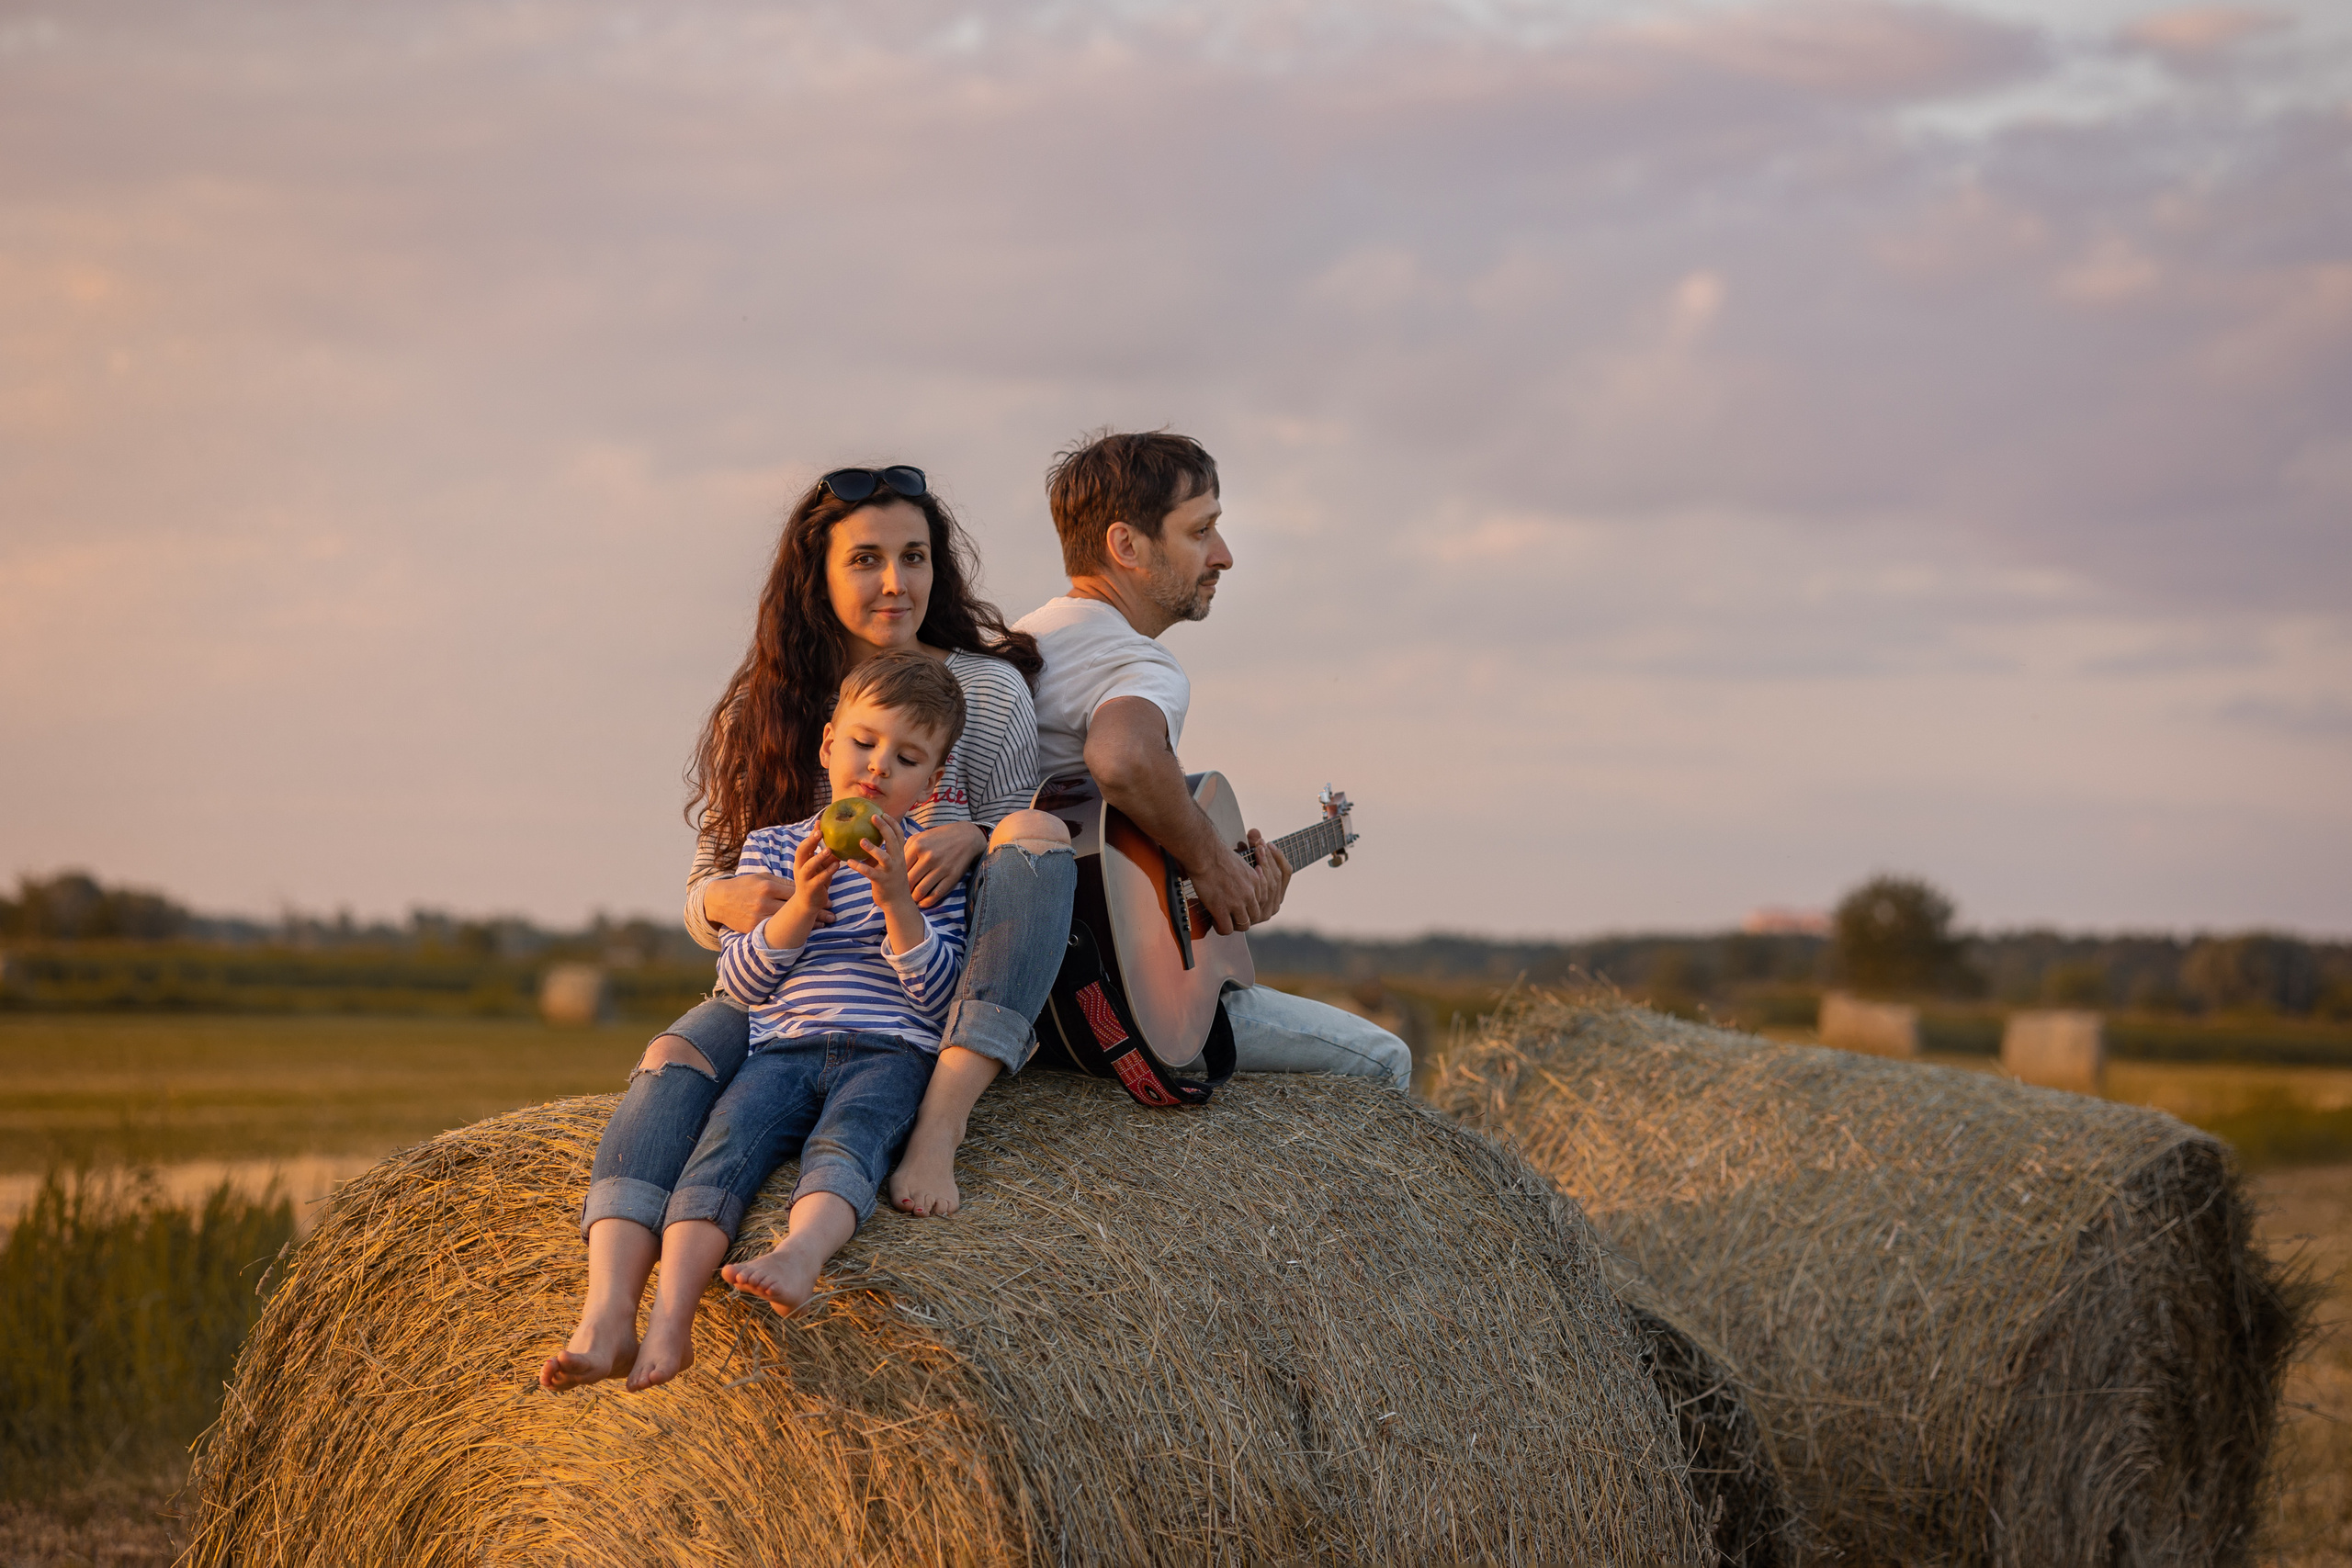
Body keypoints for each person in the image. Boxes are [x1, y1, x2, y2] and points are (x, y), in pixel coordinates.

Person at [540, 466, 1073, 1392]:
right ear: (817, 575)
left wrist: (968, 835)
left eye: (914, 557)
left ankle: (935, 1130)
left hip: (918, 975)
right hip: (784, 971)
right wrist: (749, 903)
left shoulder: (984, 692)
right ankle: (612, 1310)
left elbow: (1023, 831)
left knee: (1029, 839)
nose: (896, 582)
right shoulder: (774, 702)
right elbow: (709, 889)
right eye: (866, 559)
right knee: (674, 1060)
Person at [571, 650, 971, 1392]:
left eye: (907, 757)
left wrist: (896, 901)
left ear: (932, 783)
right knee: (719, 1154)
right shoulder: (773, 848)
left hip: (890, 1054)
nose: (879, 766)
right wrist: (795, 908)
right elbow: (740, 980)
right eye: (864, 742)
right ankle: (670, 1319)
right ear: (828, 746)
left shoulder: (928, 866)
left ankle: (800, 1254)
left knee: (849, 1140)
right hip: (781, 1049)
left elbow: (940, 999)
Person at [1012, 432, 1412, 1089]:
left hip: (1030, 994)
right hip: (1109, 1004)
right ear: (1126, 546)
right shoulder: (1138, 663)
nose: (1223, 556)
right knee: (1386, 1058)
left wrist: (1225, 882)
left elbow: (1110, 853)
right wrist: (1210, 862)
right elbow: (1123, 757)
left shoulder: (1024, 640)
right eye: (1201, 532)